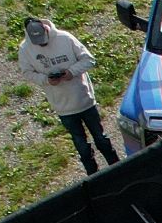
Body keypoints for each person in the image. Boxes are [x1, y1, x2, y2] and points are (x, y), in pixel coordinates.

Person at [19, 15, 114, 177]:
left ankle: (116, 167)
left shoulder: (65, 38)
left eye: (44, 39)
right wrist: (46, 80)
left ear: (46, 28)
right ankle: (94, 177)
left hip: (84, 100)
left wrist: (71, 72)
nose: (43, 43)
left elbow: (89, 60)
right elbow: (26, 72)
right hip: (63, 107)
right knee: (81, 146)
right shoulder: (25, 48)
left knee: (101, 138)